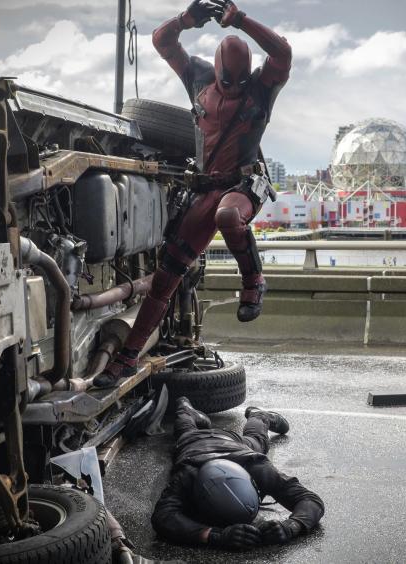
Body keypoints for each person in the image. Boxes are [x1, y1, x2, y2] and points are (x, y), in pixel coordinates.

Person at [94, 0, 292, 388]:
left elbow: (283, 52)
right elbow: (161, 40)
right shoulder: (199, 77)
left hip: (242, 186)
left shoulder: (262, 86)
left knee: (228, 217)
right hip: (205, 188)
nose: (233, 89)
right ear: (217, 72)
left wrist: (241, 20)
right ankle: (127, 357)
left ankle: (253, 281)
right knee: (165, 277)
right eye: (227, 82)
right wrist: (188, 18)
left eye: (239, 82)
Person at [150, 397, 324, 550]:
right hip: (193, 443)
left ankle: (259, 415)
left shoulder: (257, 467)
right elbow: (162, 517)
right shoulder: (188, 475)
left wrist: (291, 526)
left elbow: (311, 500)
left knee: (257, 440)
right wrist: (215, 535)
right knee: (184, 430)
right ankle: (185, 408)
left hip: (236, 445)